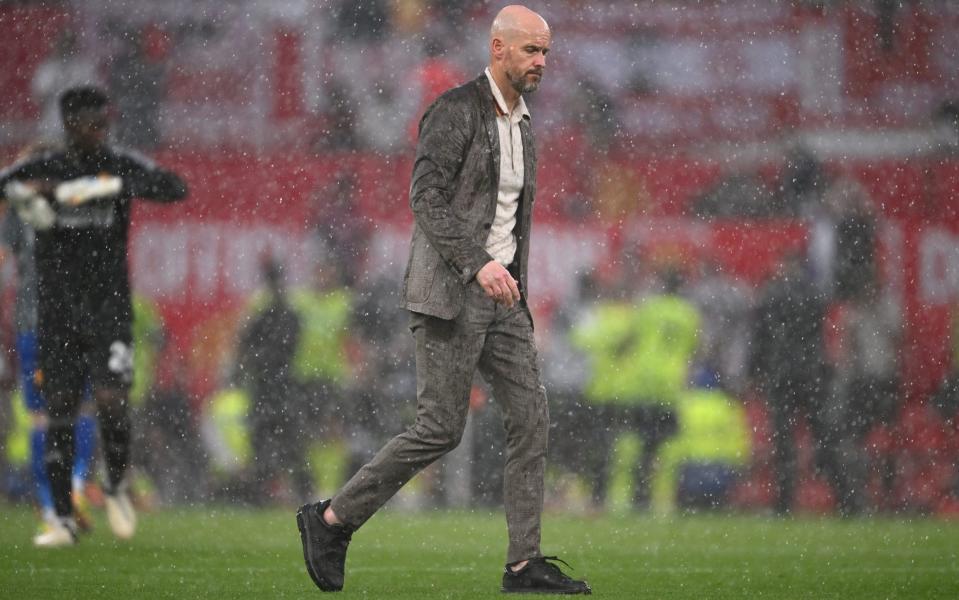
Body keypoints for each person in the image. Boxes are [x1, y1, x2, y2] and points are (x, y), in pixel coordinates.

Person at [295, 6, 590, 595]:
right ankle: (330, 520)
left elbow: (511, 222)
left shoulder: (525, 126)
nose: (540, 63)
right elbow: (425, 199)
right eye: (531, 51)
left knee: (531, 419)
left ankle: (523, 564)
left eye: (546, 53)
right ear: (498, 48)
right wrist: (477, 263)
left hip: (502, 297)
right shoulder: (455, 111)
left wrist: (511, 284)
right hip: (452, 294)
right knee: (440, 428)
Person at [0, 85, 188, 547]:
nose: (102, 132)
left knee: (112, 401)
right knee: (58, 411)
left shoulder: (118, 163)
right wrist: (28, 201)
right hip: (57, 313)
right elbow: (6, 181)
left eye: (106, 122)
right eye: (93, 123)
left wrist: (111, 185)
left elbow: (175, 187)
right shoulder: (45, 168)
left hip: (109, 310)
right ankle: (62, 517)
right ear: (69, 123)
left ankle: (117, 485)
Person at [1, 196, 99, 535]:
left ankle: (49, 504)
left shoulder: (19, 208)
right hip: (77, 322)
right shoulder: (78, 201)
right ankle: (74, 482)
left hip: (35, 324)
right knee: (82, 408)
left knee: (42, 415)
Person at [236, 258, 304, 504]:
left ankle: (266, 489)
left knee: (269, 437)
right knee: (279, 438)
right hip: (277, 384)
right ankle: (277, 489)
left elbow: (246, 346)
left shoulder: (264, 311)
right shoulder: (281, 311)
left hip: (271, 384)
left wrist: (258, 360)